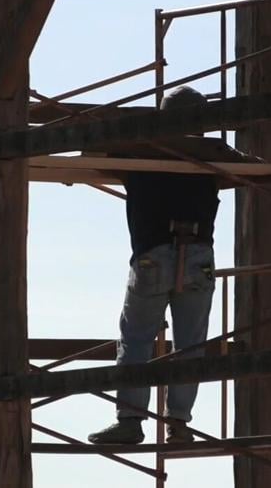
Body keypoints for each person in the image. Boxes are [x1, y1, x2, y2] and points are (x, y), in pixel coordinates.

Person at [88, 86, 219, 445]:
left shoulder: (141, 151)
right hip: (197, 256)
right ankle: (178, 424)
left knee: (137, 340)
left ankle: (131, 420)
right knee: (191, 345)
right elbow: (251, 167)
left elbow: (97, 150)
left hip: (153, 254)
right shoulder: (213, 156)